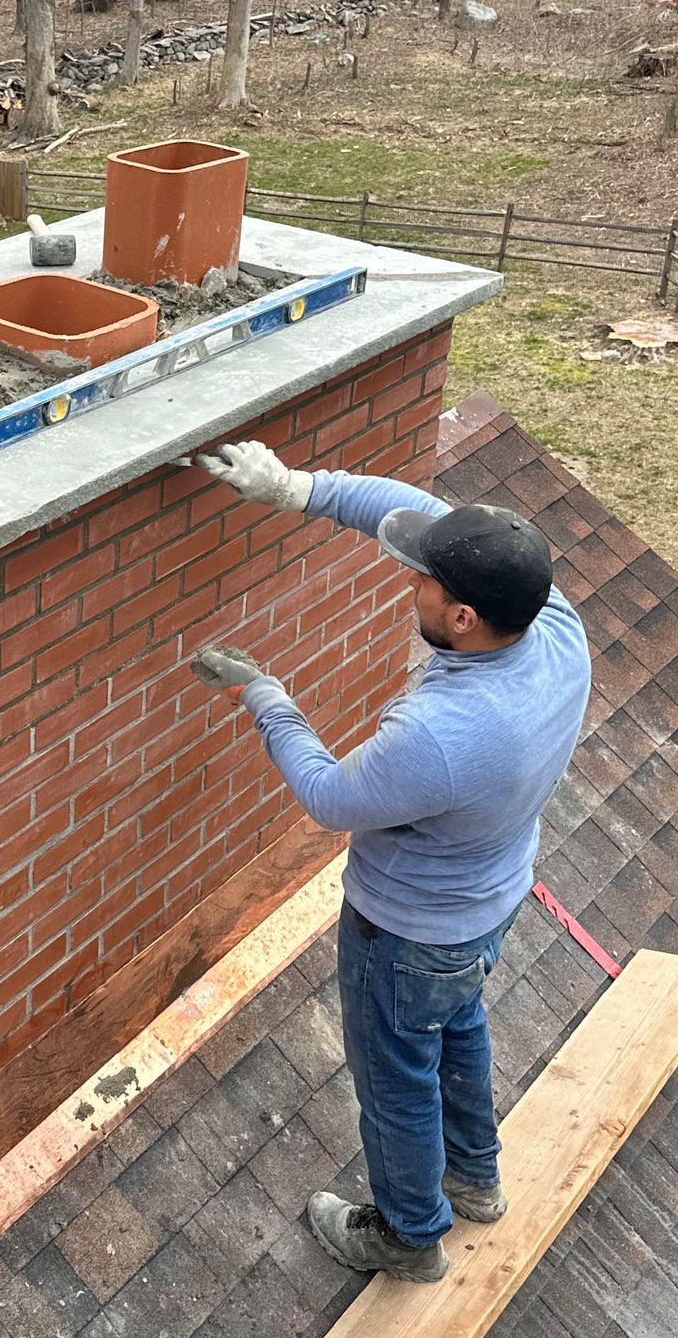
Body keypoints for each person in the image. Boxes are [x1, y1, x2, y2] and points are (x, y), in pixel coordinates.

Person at [191, 438, 590, 1283]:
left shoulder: (446, 737)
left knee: (395, 1079)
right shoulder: (551, 622)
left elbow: (331, 799)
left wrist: (266, 699)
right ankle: (474, 1178)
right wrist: (295, 487)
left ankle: (409, 1235)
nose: (410, 581)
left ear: (461, 620)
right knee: (457, 1024)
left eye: (424, 582)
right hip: (487, 903)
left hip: (407, 935)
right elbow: (406, 511)